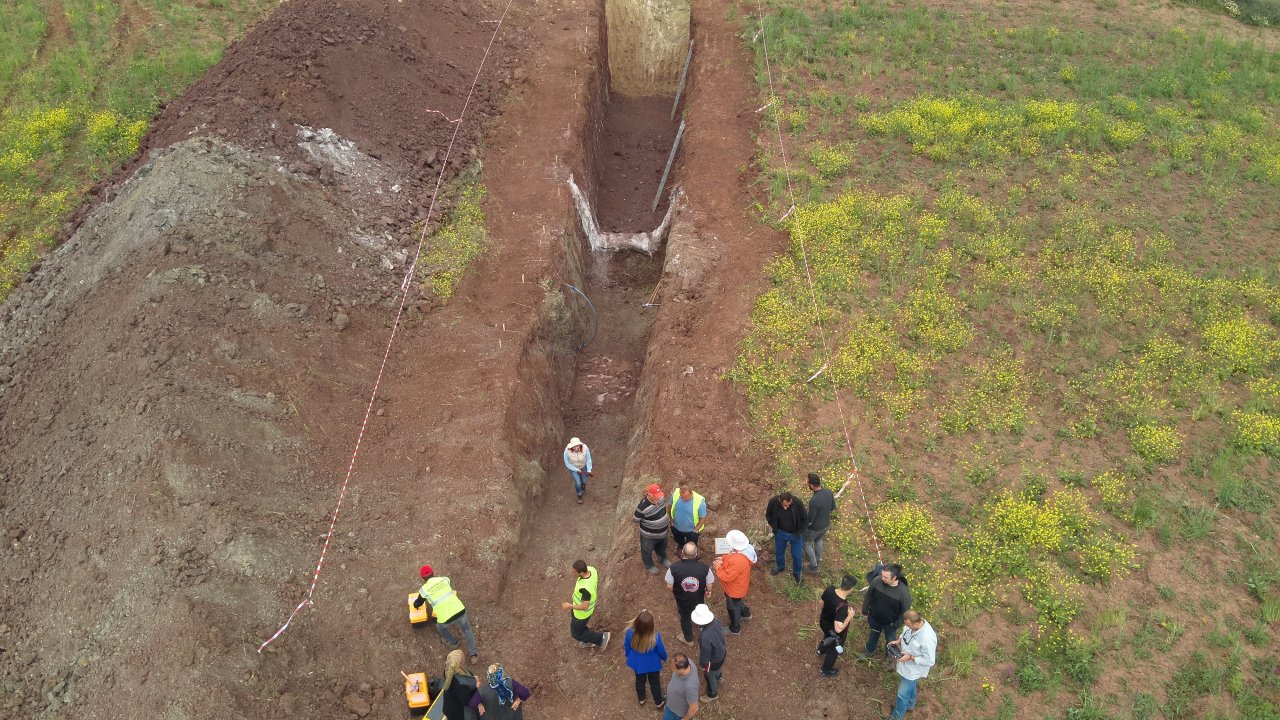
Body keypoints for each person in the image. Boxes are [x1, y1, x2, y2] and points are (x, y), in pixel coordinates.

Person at [414, 565, 478, 660]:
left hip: (445, 618)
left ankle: (453, 642)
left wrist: (415, 605)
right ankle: (474, 655)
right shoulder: (444, 579)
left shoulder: (424, 590)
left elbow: (418, 602)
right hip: (460, 611)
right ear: (433, 573)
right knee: (467, 630)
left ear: (422, 578)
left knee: (440, 627)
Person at [888, 611, 937, 720]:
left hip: (913, 670)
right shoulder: (913, 625)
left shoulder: (927, 638)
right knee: (911, 687)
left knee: (901, 695)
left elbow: (930, 661)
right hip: (904, 664)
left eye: (908, 625)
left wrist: (911, 657)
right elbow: (905, 632)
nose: (906, 627)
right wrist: (898, 641)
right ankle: (910, 705)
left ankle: (896, 717)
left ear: (916, 624)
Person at [666, 542, 715, 646]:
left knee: (685, 618)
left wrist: (677, 591)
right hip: (698, 598)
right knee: (700, 610)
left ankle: (688, 639)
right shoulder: (705, 568)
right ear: (696, 553)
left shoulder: (673, 568)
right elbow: (709, 584)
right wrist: (708, 591)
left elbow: (669, 586)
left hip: (682, 600)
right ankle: (702, 627)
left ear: (682, 552)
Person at [861, 563, 912, 658]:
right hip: (874, 619)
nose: (882, 578)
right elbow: (868, 596)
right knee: (873, 636)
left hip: (890, 624)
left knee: (891, 641)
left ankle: (891, 657)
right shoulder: (877, 581)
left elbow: (905, 613)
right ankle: (868, 652)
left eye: (885, 577)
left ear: (895, 578)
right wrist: (865, 611)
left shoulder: (903, 593)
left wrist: (896, 624)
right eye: (882, 575)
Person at [561, 560, 611, 650]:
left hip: (582, 614)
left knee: (576, 633)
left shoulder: (585, 589)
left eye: (574, 571)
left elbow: (584, 606)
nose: (572, 572)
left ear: (582, 572)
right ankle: (587, 639)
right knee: (580, 628)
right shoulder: (592, 569)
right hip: (579, 610)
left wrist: (570, 606)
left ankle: (602, 638)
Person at [712, 530, 755, 634]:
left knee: (732, 607)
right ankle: (745, 614)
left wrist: (718, 567)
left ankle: (735, 628)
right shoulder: (746, 549)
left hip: (733, 589)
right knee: (738, 601)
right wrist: (724, 558)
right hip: (739, 586)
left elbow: (727, 577)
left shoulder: (738, 561)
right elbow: (732, 555)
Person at [624, 610, 667, 707]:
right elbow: (661, 650)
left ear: (637, 622)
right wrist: (664, 658)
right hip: (652, 664)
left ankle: (641, 699)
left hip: (637, 663)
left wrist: (627, 655)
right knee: (655, 682)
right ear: (651, 626)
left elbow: (627, 647)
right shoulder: (655, 637)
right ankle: (659, 702)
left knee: (639, 680)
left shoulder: (629, 633)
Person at [818, 574, 858, 677]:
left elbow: (821, 603)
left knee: (827, 636)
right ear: (851, 589)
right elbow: (838, 629)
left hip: (824, 623)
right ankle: (826, 670)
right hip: (834, 632)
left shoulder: (830, 589)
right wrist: (849, 616)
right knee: (833, 649)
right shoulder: (842, 606)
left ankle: (821, 650)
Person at [765, 491, 808, 582]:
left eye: (789, 504)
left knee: (797, 556)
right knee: (779, 553)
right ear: (780, 501)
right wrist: (774, 527)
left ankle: (797, 573)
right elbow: (768, 515)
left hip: (795, 534)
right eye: (785, 505)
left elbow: (805, 518)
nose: (787, 506)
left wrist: (800, 531)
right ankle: (780, 567)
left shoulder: (797, 503)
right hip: (780, 533)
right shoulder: (773, 502)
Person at [634, 483, 673, 574]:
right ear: (650, 495)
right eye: (657, 496)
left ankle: (662, 559)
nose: (659, 498)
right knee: (647, 550)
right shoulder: (642, 507)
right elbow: (636, 519)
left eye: (660, 496)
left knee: (662, 547)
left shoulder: (661, 499)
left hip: (662, 533)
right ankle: (649, 565)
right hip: (648, 536)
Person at [691, 604, 727, 702]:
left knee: (709, 676)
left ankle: (712, 694)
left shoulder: (705, 637)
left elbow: (705, 655)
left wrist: (703, 665)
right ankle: (719, 677)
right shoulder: (716, 621)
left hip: (713, 660)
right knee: (717, 670)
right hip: (722, 652)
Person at [804, 473, 835, 573]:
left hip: (815, 528)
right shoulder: (829, 492)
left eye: (808, 482)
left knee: (806, 543)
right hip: (825, 524)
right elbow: (833, 507)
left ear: (812, 485)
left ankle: (813, 566)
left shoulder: (814, 500)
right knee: (819, 541)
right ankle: (818, 558)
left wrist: (805, 526)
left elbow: (811, 518)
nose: (807, 484)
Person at [440, 650, 479, 720]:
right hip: (458, 713)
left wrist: (473, 678)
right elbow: (469, 702)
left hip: (451, 702)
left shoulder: (449, 670)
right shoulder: (460, 685)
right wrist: (477, 687)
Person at [662, 653, 700, 720]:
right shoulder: (687, 662)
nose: (671, 668)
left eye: (673, 668)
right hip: (671, 704)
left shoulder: (690, 687)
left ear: (681, 670)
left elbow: (694, 708)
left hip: (676, 713)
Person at [563, 437, 593, 504]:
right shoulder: (567, 451)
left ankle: (583, 487)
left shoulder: (585, 448)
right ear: (572, 447)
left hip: (583, 466)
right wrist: (576, 470)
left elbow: (588, 459)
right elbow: (567, 463)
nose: (576, 448)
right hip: (573, 468)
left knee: (584, 481)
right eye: (574, 446)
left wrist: (589, 469)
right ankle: (579, 495)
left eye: (577, 446)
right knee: (578, 482)